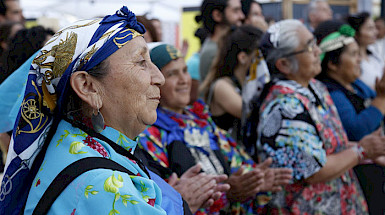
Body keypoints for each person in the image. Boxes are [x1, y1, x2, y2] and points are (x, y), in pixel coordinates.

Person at [0, 6, 187, 215]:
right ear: (87, 87)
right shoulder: (103, 186)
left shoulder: (75, 143)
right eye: (141, 62)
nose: (159, 78)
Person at [138, 43, 292, 214]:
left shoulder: (200, 119)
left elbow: (236, 160)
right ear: (155, 79)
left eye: (185, 71)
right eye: (172, 74)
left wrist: (254, 180)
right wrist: (228, 193)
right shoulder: (148, 133)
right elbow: (168, 196)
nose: (184, 80)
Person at [256, 19, 385, 214]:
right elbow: (314, 170)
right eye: (309, 47)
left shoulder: (315, 87)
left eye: (314, 43)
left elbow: (328, 147)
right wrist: (361, 150)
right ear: (283, 64)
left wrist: (366, 149)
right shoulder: (285, 106)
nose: (317, 51)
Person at [316, 21, 385, 215]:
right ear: (332, 64)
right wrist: (381, 98)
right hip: (359, 177)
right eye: (354, 55)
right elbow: (357, 130)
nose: (359, 61)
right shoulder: (331, 92)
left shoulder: (357, 86)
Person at [200, 25, 263, 142]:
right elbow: (251, 114)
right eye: (260, 55)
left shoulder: (247, 85)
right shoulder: (222, 86)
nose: (264, 61)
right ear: (243, 58)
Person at [196, 0, 245, 82]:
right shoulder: (212, 52)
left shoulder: (224, 46)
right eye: (235, 11)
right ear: (217, 15)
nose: (242, 16)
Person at [347, 12, 384, 90]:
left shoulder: (373, 53)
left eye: (375, 28)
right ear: (356, 33)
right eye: (370, 28)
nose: (375, 32)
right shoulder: (352, 61)